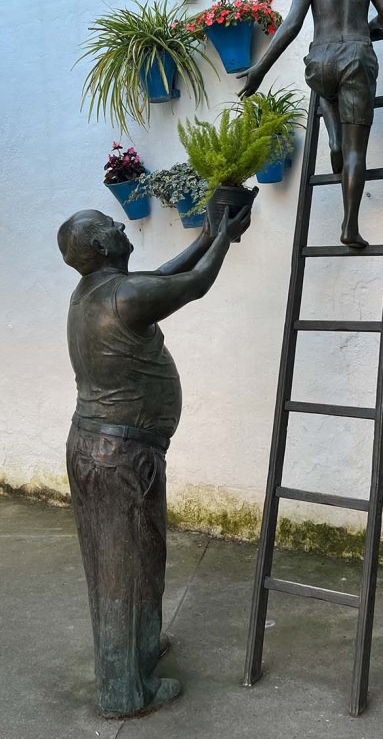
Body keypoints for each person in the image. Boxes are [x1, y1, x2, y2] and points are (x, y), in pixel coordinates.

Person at [57, 205, 250, 718]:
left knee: (129, 562)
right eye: (111, 226)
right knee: (125, 568)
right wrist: (223, 238)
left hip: (99, 448)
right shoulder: (124, 295)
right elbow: (194, 284)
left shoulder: (94, 291)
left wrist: (207, 235)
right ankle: (124, 691)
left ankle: (137, 650)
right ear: (101, 246)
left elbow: (160, 278)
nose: (122, 226)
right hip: (119, 456)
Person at [237, 0, 383, 248]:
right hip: (358, 55)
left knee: (324, 87)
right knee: (357, 152)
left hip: (322, 59)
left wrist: (260, 69)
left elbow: (292, 24)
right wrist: (367, 28)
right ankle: (350, 226)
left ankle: (334, 139)